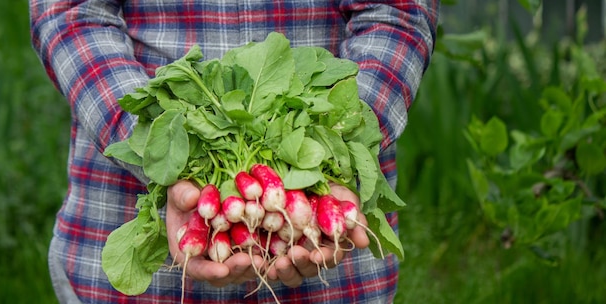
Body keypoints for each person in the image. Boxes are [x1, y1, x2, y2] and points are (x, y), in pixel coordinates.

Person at [29, 0, 438, 303]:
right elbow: (72, 12)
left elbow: (397, 14)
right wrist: (164, 154)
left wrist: (333, 149)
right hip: (128, 221)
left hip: (329, 247)